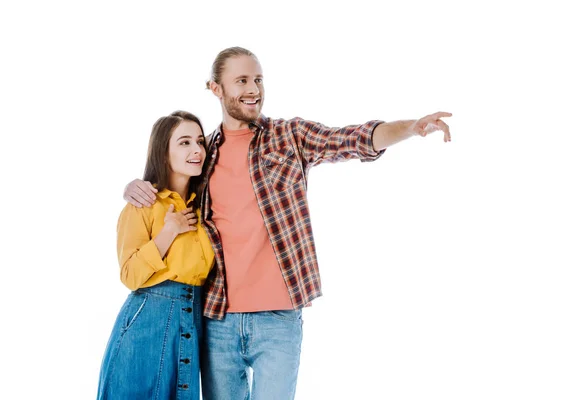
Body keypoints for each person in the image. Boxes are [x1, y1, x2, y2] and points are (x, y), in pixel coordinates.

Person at [123, 47, 452, 400]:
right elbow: (172, 187)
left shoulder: (289, 135)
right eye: (242, 80)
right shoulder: (205, 154)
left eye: (258, 79)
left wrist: (410, 129)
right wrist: (138, 185)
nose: (254, 89)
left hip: (278, 318)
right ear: (216, 88)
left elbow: (352, 138)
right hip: (216, 318)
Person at [98, 111, 214, 399]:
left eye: (199, 141)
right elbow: (130, 276)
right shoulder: (142, 205)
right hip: (147, 322)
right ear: (163, 153)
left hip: (193, 321)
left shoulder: (206, 208)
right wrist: (168, 232)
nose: (196, 150)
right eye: (184, 142)